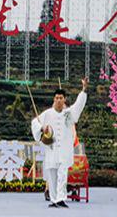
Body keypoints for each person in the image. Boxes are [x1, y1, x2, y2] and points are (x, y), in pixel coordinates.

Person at [32, 78, 87, 208]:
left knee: (62, 174)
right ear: (54, 99)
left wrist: (83, 90)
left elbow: (78, 106)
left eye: (61, 98)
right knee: (52, 175)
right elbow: (35, 122)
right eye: (56, 98)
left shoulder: (69, 114)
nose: (58, 100)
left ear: (64, 100)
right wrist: (41, 128)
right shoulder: (48, 113)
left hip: (64, 150)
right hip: (51, 149)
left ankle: (61, 198)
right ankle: (54, 199)